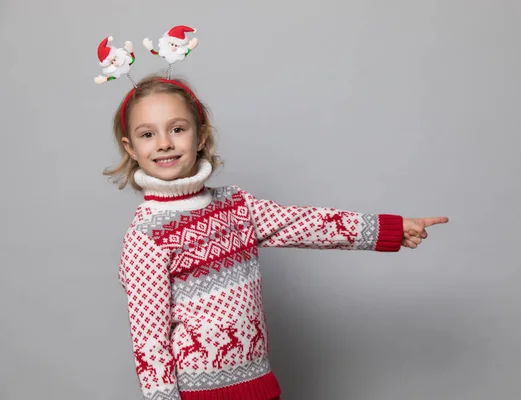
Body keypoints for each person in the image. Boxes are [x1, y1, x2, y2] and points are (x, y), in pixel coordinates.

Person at [103, 73, 448, 400]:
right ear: (131, 148)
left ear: (201, 135)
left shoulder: (236, 205)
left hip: (260, 384)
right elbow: (150, 342)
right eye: (147, 134)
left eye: (177, 129)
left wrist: (388, 229)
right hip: (198, 393)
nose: (164, 143)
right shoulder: (146, 237)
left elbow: (308, 224)